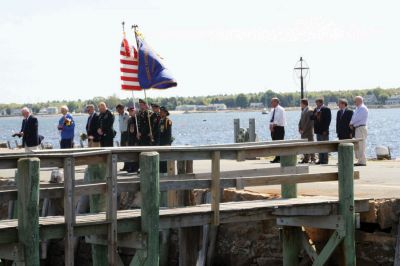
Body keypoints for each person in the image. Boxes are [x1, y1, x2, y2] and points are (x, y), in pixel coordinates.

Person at [350, 96, 369, 166]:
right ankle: (360, 160)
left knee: (361, 145)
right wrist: (351, 123)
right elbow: (353, 117)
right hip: (357, 128)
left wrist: (351, 123)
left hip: (361, 128)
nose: (354, 103)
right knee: (358, 145)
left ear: (359, 101)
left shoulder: (363, 108)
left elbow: (357, 118)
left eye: (355, 101)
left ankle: (362, 161)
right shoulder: (358, 108)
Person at [312, 98, 332, 164]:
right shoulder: (315, 109)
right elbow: (311, 118)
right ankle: (320, 159)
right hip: (318, 131)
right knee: (319, 146)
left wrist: (325, 130)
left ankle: (325, 160)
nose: (316, 104)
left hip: (324, 131)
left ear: (320, 103)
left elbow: (328, 121)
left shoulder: (326, 109)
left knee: (325, 145)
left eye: (317, 103)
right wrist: (315, 114)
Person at [298, 99, 315, 163]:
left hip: (308, 132)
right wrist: (299, 128)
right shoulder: (303, 110)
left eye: (301, 103)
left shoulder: (310, 110)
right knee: (304, 145)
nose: (300, 105)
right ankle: (306, 158)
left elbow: (309, 122)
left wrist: (303, 130)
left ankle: (313, 158)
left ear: (304, 103)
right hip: (303, 132)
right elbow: (301, 121)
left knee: (311, 145)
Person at [269, 97, 286, 163]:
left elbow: (281, 120)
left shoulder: (281, 109)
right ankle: (277, 157)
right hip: (273, 129)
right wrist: (270, 126)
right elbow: (271, 119)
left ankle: (280, 158)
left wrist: (274, 125)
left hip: (279, 128)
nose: (271, 103)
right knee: (275, 143)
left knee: (279, 143)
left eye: (272, 101)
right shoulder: (272, 110)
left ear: (276, 102)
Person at [156, 106, 173, 173]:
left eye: (162, 112)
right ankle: (161, 170)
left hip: (165, 143)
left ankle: (165, 171)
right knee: (160, 158)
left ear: (165, 113)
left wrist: (168, 144)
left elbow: (169, 134)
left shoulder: (167, 121)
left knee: (165, 158)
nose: (160, 113)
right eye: (160, 111)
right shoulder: (160, 121)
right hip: (160, 143)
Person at [116, 104, 130, 171]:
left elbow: (129, 125)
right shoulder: (119, 115)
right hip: (122, 134)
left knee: (127, 150)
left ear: (122, 109)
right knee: (123, 150)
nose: (118, 111)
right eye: (117, 110)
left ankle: (128, 166)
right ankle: (125, 166)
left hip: (127, 133)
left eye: (119, 110)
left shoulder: (126, 114)